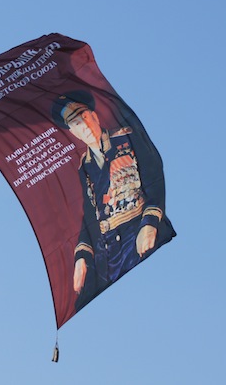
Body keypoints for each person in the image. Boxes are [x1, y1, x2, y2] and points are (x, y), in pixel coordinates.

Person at [51, 90, 174, 311]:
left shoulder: (127, 139)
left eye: (85, 117)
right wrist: (81, 256)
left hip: (136, 233)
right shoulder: (84, 166)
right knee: (79, 302)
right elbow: (90, 214)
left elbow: (154, 177)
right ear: (73, 132)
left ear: (95, 117)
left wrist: (150, 223)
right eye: (76, 124)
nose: (84, 126)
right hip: (107, 251)